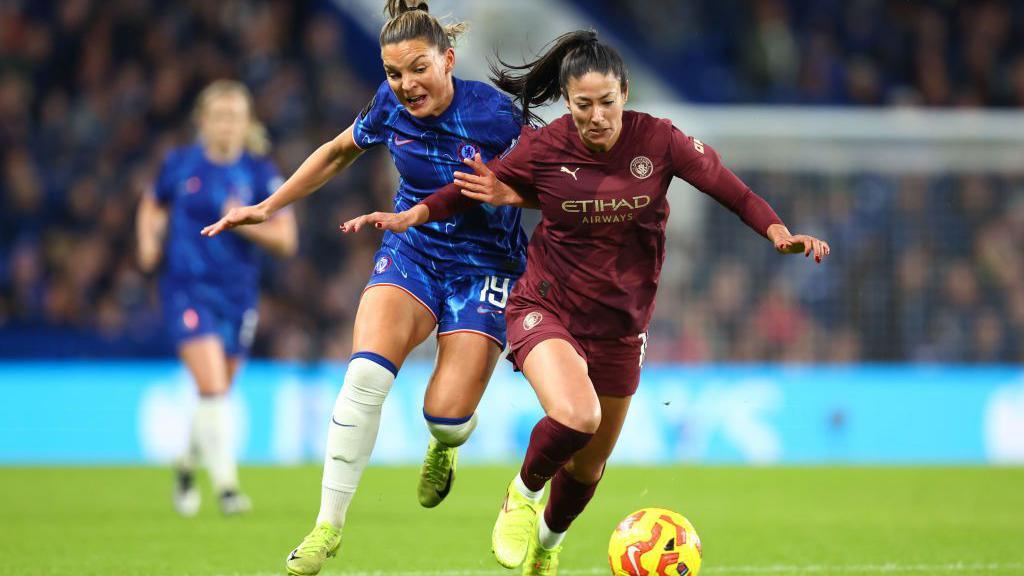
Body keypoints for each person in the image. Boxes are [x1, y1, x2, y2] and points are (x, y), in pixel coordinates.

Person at [342, 30, 830, 576]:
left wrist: (777, 230)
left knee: (588, 466)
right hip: (545, 306)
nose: (595, 116)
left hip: (621, 326)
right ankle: (520, 496)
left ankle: (547, 549)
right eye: (582, 105)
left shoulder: (660, 142)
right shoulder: (546, 146)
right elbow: (475, 185)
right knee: (576, 415)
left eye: (606, 102)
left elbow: (730, 189)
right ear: (568, 103)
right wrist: (414, 216)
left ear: (625, 92)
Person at [200, 1, 529, 574]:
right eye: (394, 73)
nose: (405, 85)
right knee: (365, 376)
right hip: (413, 252)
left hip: (487, 264)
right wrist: (267, 207)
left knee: (446, 418)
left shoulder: (496, 114)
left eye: (418, 68)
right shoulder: (387, 108)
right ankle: (327, 527)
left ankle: (445, 446)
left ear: (448, 60)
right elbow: (336, 152)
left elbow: (547, 177)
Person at [136, 79, 298, 516]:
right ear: (203, 121)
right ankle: (227, 488)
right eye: (219, 116)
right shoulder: (180, 164)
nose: (226, 125)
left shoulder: (261, 173)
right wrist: (148, 241)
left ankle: (187, 464)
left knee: (218, 391)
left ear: (247, 124)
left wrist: (247, 223)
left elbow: (286, 240)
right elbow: (152, 203)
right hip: (186, 288)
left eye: (235, 116)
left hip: (238, 295)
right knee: (211, 386)